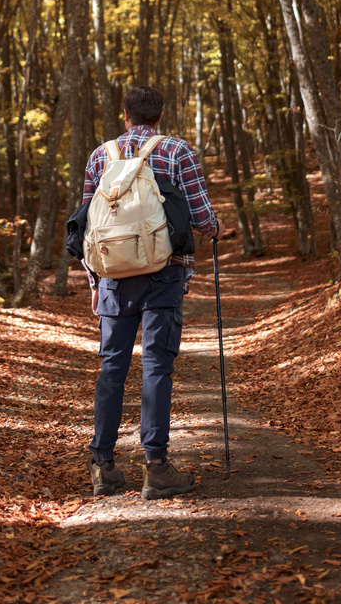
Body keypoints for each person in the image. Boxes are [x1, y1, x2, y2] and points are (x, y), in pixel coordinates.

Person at [82, 85, 225, 499]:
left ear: (124, 114)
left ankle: (103, 467)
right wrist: (213, 229)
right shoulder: (177, 151)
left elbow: (90, 224)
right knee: (156, 368)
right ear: (159, 117)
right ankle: (156, 468)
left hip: (113, 278)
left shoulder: (100, 155)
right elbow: (199, 216)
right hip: (165, 274)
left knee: (112, 368)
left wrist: (95, 282)